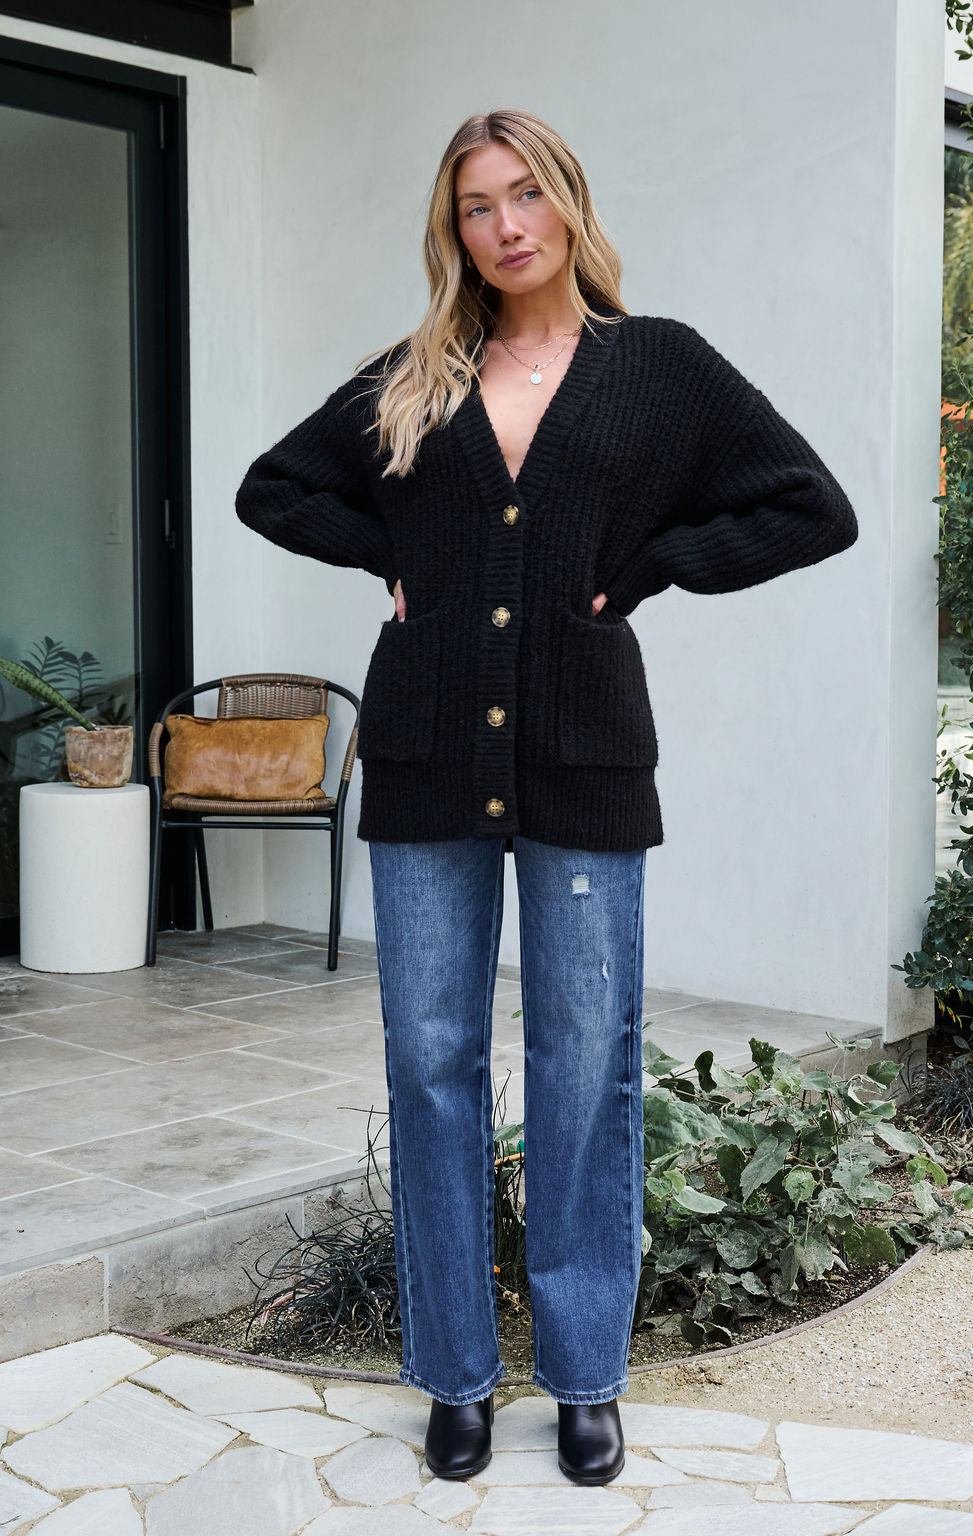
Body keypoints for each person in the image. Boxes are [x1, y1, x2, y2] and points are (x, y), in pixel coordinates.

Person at [235, 107, 859, 1486]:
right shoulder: (417, 375)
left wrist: (653, 566)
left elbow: (812, 506)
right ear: (451, 229)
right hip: (425, 759)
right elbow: (270, 488)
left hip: (582, 758)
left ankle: (584, 1376)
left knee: (586, 1068)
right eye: (476, 206)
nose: (505, 225)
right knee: (432, 1066)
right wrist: (386, 556)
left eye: (525, 195)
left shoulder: (661, 371)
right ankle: (455, 1373)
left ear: (568, 200)